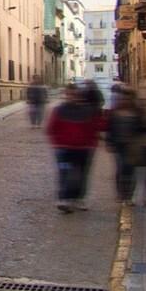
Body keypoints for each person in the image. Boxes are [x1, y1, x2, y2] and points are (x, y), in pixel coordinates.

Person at [45, 83, 106, 212]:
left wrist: (92, 142)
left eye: (74, 94)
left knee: (82, 175)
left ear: (79, 95)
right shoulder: (59, 110)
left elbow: (97, 126)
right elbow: (51, 128)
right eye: (69, 94)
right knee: (64, 174)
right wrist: (57, 144)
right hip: (63, 149)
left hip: (84, 148)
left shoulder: (88, 110)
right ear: (65, 95)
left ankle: (79, 198)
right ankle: (64, 199)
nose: (71, 97)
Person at [105, 84, 145, 204]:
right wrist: (109, 142)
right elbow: (110, 128)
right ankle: (121, 194)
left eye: (127, 98)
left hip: (132, 146)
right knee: (120, 168)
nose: (125, 100)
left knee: (130, 170)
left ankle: (129, 196)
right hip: (119, 145)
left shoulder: (137, 113)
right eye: (123, 98)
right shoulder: (115, 113)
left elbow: (142, 128)